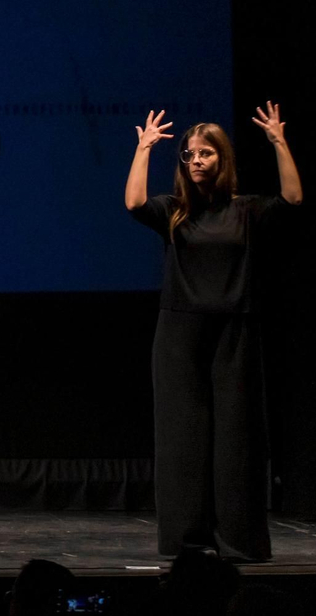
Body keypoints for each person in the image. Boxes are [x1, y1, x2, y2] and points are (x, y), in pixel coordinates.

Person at [125, 102, 303, 562]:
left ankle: (238, 539)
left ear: (222, 159)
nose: (196, 160)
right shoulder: (175, 211)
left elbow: (292, 200)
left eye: (205, 153)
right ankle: (186, 539)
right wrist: (145, 149)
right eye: (189, 154)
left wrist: (279, 142)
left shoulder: (245, 211)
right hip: (179, 333)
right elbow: (134, 203)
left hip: (234, 331)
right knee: (183, 436)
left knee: (237, 436)